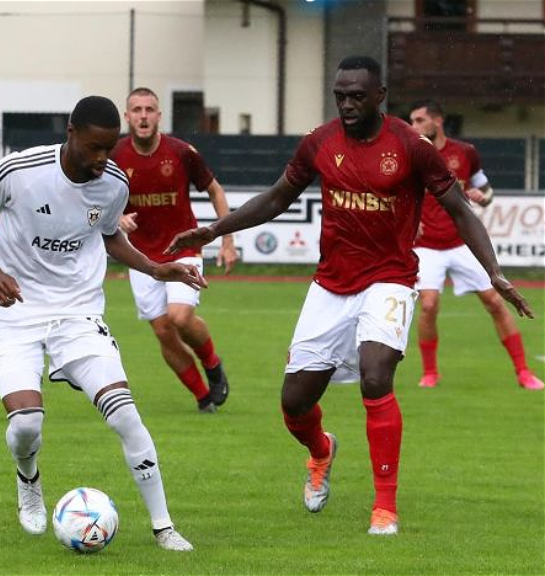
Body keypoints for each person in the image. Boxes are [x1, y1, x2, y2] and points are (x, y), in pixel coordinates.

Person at [167, 56, 534, 536]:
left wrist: (495, 272)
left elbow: (461, 210)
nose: (347, 104)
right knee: (294, 402)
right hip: (331, 285)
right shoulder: (319, 142)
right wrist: (214, 229)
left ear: (380, 96)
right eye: (340, 95)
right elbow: (277, 198)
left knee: (376, 376)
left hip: (390, 279)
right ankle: (321, 451)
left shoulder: (411, 146)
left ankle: (385, 508)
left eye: (357, 95)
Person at [0, 95, 202, 551]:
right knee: (27, 424)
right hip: (12, 313)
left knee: (125, 414)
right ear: (71, 134)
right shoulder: (20, 170)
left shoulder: (113, 184)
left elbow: (110, 236)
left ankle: (164, 527)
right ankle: (28, 478)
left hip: (77, 313)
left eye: (109, 148)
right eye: (94, 147)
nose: (103, 158)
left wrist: (155, 268)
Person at [111, 87, 238, 413]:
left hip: (183, 247)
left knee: (180, 317)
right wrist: (118, 217)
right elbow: (95, 199)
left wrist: (227, 240)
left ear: (158, 116)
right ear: (127, 117)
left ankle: (212, 364)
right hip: (141, 257)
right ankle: (203, 398)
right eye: (136, 110)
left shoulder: (181, 152)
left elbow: (215, 190)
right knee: (164, 331)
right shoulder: (114, 157)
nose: (143, 116)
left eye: (149, 110)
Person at [408, 100, 543, 391]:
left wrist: (484, 197)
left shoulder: (465, 152)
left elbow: (487, 190)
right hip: (427, 246)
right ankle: (430, 373)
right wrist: (409, 219)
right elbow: (400, 193)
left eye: (419, 120)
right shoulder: (414, 154)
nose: (413, 126)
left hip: (462, 242)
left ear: (437, 121)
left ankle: (523, 372)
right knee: (428, 305)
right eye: (412, 121)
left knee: (495, 301)